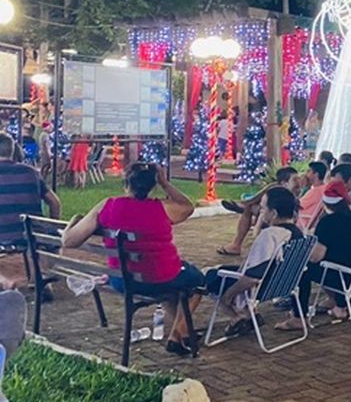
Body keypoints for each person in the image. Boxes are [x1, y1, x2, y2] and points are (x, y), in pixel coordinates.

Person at [62, 163, 203, 356]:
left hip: (122, 280)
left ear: (126, 184)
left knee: (173, 286)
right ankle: (177, 334)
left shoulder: (108, 206)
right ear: (153, 186)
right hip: (163, 276)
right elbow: (187, 206)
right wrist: (165, 183)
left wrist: (75, 219)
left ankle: (182, 333)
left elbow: (69, 241)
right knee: (197, 282)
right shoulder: (163, 208)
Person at [201, 187, 322, 335]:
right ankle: (245, 314)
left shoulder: (270, 236)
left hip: (261, 287)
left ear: (274, 213)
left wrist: (228, 296)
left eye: (263, 208)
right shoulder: (299, 235)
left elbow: (253, 277)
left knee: (206, 276)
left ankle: (239, 316)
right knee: (221, 268)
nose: (260, 212)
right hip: (282, 284)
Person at [279, 181, 351, 327]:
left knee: (300, 268)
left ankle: (299, 317)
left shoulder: (327, 222)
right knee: (338, 261)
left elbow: (316, 257)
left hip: (344, 276)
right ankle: (339, 305)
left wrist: (306, 247)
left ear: (325, 204)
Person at [217, 167, 301, 256]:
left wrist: (259, 221)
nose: (298, 182)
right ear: (284, 183)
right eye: (295, 179)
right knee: (252, 207)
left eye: (298, 179)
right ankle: (245, 205)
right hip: (276, 216)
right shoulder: (284, 192)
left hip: (281, 220)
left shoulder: (291, 196)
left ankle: (244, 205)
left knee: (250, 207)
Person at [0, 133, 61, 247]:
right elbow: (54, 202)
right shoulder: (31, 172)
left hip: (3, 240)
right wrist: (53, 228)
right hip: (33, 239)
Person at [297, 161, 329, 230]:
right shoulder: (325, 188)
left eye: (309, 171)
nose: (306, 174)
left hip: (302, 221)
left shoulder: (316, 191)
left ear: (316, 174)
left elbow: (297, 205)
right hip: (309, 222)